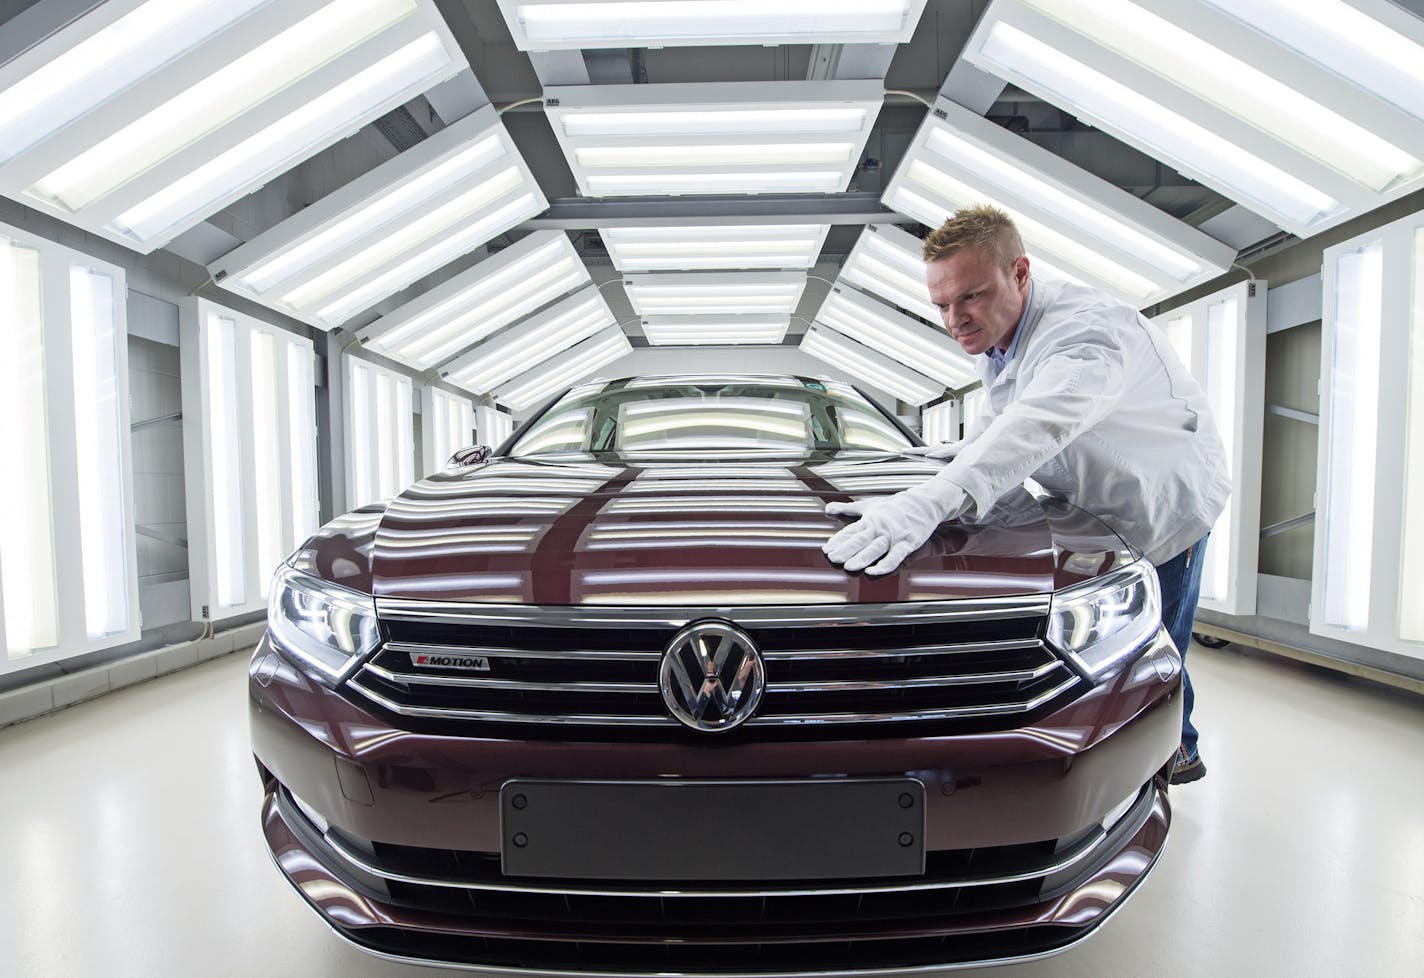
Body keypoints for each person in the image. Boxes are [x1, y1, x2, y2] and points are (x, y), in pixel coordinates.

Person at [821, 204, 1228, 785]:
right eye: (941, 304)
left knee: (1147, 647)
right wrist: (933, 467)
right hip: (1091, 499)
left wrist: (928, 502)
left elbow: (1036, 424)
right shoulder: (1006, 332)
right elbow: (1000, 418)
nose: (954, 318)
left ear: (1020, 272)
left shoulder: (1086, 334)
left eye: (971, 297)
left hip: (1159, 507)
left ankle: (1176, 752)